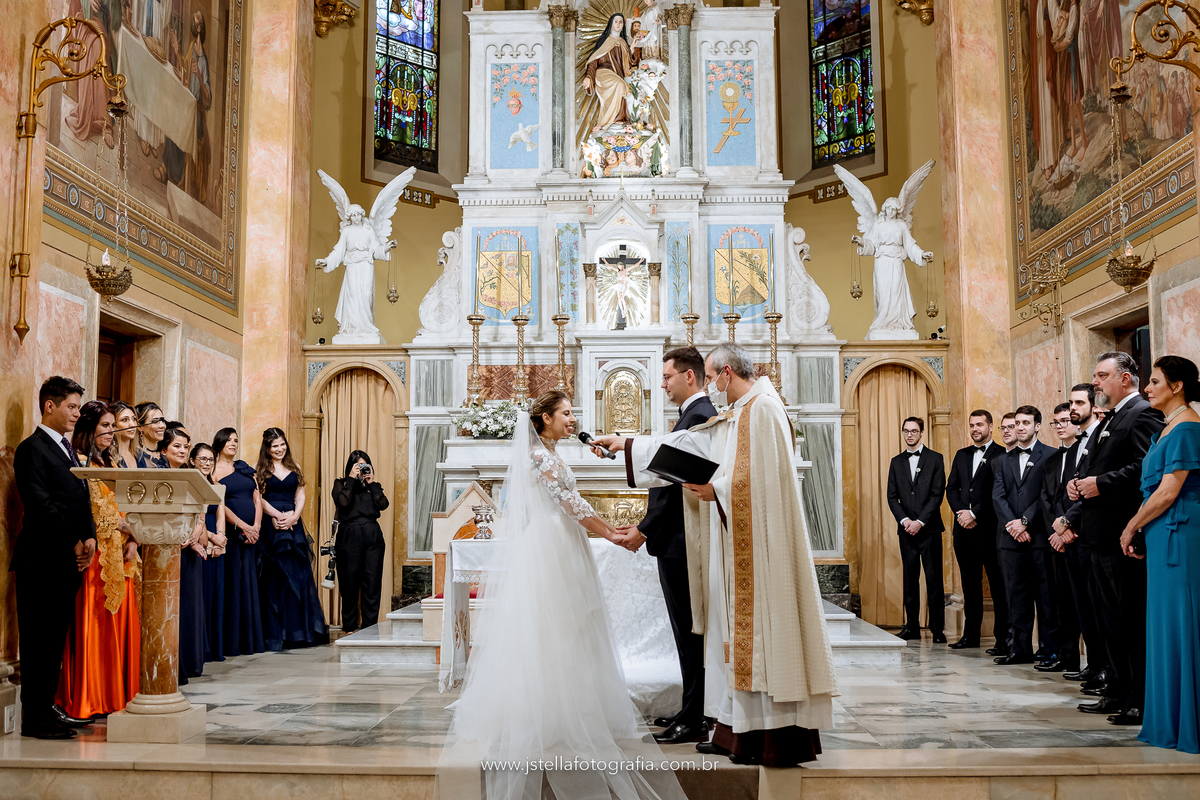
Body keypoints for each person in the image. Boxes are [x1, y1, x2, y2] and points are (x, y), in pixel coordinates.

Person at [593, 345, 837, 768]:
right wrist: (627, 444)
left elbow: (763, 480)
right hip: (738, 543)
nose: (709, 385)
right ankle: (734, 731)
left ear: (727, 373)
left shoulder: (764, 409)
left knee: (758, 639)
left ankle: (767, 735)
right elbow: (693, 446)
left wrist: (717, 490)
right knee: (729, 641)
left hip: (763, 552)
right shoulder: (740, 412)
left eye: (710, 376)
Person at [442, 391, 687, 800]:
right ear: (544, 418)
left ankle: (570, 705)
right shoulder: (540, 457)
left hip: (562, 540)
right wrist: (611, 533)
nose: (572, 419)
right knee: (552, 624)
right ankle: (549, 713)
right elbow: (570, 503)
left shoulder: (550, 454)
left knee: (571, 625)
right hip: (551, 544)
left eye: (572, 413)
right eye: (566, 413)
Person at [614, 346, 717, 745]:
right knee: (686, 631)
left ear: (689, 376)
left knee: (691, 632)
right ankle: (692, 709)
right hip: (677, 540)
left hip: (681, 542)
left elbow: (674, 487)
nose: (662, 384)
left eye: (667, 376)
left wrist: (644, 530)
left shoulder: (700, 416)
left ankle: (695, 718)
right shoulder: (692, 415)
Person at [1067, 352, 1164, 725]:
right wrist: (1080, 484)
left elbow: (1146, 467)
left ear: (1125, 379)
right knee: (1108, 620)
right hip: (1097, 535)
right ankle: (1117, 690)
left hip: (1121, 535)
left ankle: (1139, 698)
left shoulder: (1142, 414)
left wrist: (1100, 483)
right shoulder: (1111, 417)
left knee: (1129, 620)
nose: (1095, 382)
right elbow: (1097, 466)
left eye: (1102, 375)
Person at [13, 376, 97, 739]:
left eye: (78, 407)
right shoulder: (31, 448)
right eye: (72, 406)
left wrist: (90, 537)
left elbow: (82, 497)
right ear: (50, 406)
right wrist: (72, 542)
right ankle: (35, 719)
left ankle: (48, 708)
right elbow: (39, 503)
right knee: (38, 643)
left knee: (54, 642)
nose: (77, 413)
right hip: (42, 560)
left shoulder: (68, 449)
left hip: (68, 561)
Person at [1124, 356, 1200, 752]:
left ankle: (1187, 722)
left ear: (1178, 385)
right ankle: (1169, 718)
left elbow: (1169, 492)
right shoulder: (1168, 427)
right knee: (1164, 625)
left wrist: (1131, 525)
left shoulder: (1188, 427)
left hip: (1180, 534)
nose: (1147, 388)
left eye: (1154, 382)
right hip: (1161, 534)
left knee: (1181, 623)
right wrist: (1141, 526)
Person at [56, 400, 141, 721]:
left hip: (124, 554)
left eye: (112, 426)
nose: (111, 432)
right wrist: (126, 527)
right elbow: (89, 509)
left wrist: (134, 538)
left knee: (120, 628)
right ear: (88, 428)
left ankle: (118, 695)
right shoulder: (79, 463)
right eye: (105, 426)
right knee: (96, 626)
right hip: (97, 557)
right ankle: (92, 697)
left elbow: (128, 504)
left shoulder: (113, 462)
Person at [1052, 385, 1109, 687]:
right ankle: (1096, 664)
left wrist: (1067, 521)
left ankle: (1107, 668)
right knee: (1083, 607)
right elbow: (1067, 489)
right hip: (1073, 536)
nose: (1073, 408)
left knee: (1100, 608)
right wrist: (1064, 525)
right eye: (1071, 403)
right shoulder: (1076, 447)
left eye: (1078, 403)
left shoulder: (1101, 439)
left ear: (1095, 407)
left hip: (1091, 533)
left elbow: (1093, 489)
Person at [992, 405, 1057, 665]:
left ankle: (1049, 650)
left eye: (1025, 423)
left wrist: (1025, 522)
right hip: (1011, 540)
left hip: (1039, 537)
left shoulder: (1051, 455)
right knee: (1016, 597)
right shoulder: (1002, 460)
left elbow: (1047, 494)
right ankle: (1019, 650)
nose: (1020, 427)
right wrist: (1013, 526)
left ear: (1037, 426)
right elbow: (998, 496)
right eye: (1017, 423)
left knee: (1046, 597)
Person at [256, 428, 328, 650]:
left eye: (282, 444)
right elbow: (258, 498)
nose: (280, 449)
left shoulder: (294, 466)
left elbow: (301, 494)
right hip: (272, 524)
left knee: (296, 575)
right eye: (275, 446)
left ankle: (297, 632)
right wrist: (277, 516)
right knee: (274, 576)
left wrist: (295, 516)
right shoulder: (259, 469)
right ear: (267, 448)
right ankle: (275, 634)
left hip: (293, 525)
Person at [946, 409, 1008, 651]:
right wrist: (961, 513)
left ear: (990, 427)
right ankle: (970, 636)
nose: (975, 429)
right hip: (963, 532)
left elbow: (997, 493)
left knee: (998, 586)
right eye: (972, 425)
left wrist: (974, 514)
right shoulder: (961, 455)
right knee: (969, 585)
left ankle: (1002, 639)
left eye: (980, 424)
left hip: (989, 531)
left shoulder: (1002, 454)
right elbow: (951, 488)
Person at [886, 416, 947, 642]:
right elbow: (892, 497)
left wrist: (920, 521)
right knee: (910, 579)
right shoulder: (896, 462)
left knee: (934, 580)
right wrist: (905, 521)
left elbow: (937, 494)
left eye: (913, 431)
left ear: (922, 433)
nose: (909, 435)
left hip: (929, 529)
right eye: (906, 431)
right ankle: (911, 627)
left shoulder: (935, 458)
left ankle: (937, 630)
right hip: (906, 531)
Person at [213, 427, 266, 656]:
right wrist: (242, 525)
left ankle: (250, 640)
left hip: (252, 535)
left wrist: (256, 526)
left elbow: (257, 499)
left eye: (236, 440)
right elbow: (219, 504)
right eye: (229, 440)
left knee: (249, 582)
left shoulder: (244, 468)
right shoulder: (213, 470)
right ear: (220, 443)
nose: (233, 443)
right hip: (233, 534)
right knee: (234, 583)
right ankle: (233, 641)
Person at [1038, 402, 1082, 674]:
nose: (1061, 426)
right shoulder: (1052, 460)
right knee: (1061, 602)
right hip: (1056, 539)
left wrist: (1068, 529)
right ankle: (1067, 656)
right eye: (1056, 422)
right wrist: (1056, 532)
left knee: (1083, 603)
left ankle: (1095, 664)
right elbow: (1047, 498)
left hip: (1078, 536)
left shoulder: (1085, 452)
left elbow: (1082, 496)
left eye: (1065, 420)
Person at [161, 427, 206, 682]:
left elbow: (200, 513)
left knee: (187, 608)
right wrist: (178, 536)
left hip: (187, 548)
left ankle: (187, 662)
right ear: (164, 449)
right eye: (177, 446)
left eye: (185, 447)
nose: (182, 450)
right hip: (166, 546)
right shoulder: (158, 474)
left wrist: (193, 535)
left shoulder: (192, 476)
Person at [331, 450, 390, 633]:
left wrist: (371, 483)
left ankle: (370, 628)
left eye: (365, 466)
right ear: (350, 467)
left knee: (372, 583)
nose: (361, 470)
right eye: (358, 466)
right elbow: (343, 502)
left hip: (373, 536)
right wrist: (351, 479)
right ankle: (349, 626)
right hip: (349, 535)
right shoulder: (341, 484)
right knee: (349, 583)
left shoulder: (373, 486)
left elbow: (383, 504)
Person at [190, 442, 228, 664]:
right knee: (202, 593)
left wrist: (221, 537)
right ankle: (200, 648)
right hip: (202, 537)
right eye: (202, 459)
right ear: (192, 461)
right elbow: (197, 516)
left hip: (216, 540)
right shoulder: (191, 484)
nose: (207, 463)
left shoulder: (217, 484)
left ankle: (214, 646)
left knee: (215, 594)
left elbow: (220, 513)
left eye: (210, 460)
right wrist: (212, 537)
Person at [583, 13, 636, 130]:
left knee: (625, 87)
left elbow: (628, 63)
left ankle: (620, 118)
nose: (618, 24)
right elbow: (593, 60)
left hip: (618, 74)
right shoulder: (604, 40)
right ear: (611, 24)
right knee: (620, 85)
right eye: (616, 21)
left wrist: (631, 49)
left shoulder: (623, 42)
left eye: (620, 22)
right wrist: (588, 77)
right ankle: (610, 121)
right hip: (603, 73)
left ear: (623, 25)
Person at [134, 401, 167, 467]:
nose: (162, 425)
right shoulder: (137, 456)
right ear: (140, 427)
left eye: (163, 420)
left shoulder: (164, 458)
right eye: (155, 421)